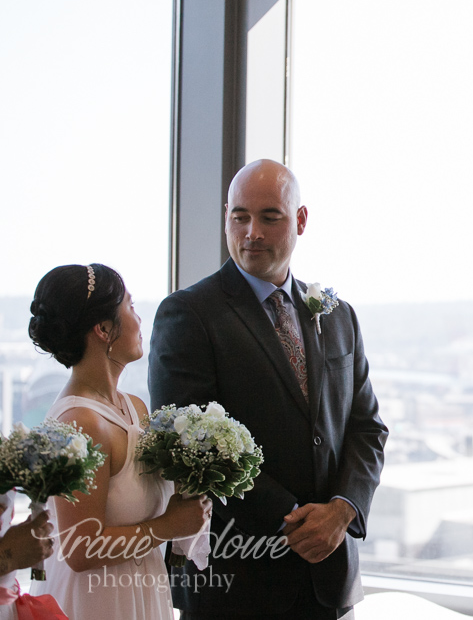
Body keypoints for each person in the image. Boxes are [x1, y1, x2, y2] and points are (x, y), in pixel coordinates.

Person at [147, 159, 388, 619]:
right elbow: (189, 447)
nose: (251, 231)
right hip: (237, 580)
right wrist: (295, 520)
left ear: (299, 221)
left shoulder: (339, 317)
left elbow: (367, 428)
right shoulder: (189, 315)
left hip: (330, 579)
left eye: (269, 217)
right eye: (239, 216)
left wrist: (342, 511)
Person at [26, 264, 212, 619]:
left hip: (141, 589)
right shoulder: (81, 424)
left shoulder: (136, 408)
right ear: (103, 329)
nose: (140, 321)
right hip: (97, 602)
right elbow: (80, 549)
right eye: (131, 307)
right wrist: (168, 528)